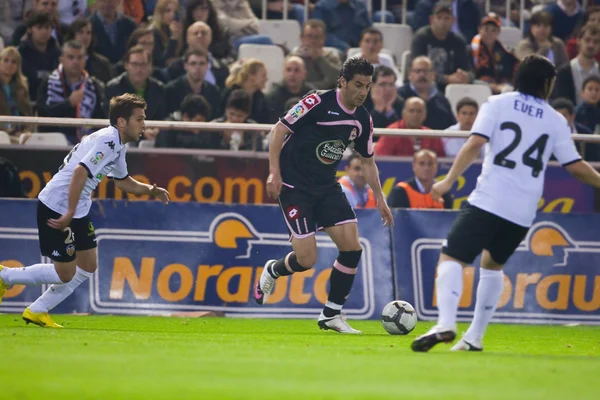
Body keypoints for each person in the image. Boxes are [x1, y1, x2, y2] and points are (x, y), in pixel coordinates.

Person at [410, 55, 600, 353]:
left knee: (451, 258)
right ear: (547, 84)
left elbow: (474, 143)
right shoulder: (555, 119)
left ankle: (446, 323)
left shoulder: (497, 104)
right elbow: (574, 165)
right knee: (492, 265)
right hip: (522, 211)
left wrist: (447, 181)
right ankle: (474, 337)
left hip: (490, 198)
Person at [0, 94, 170, 327]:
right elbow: (80, 172)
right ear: (122, 122)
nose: (144, 125)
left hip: (77, 208)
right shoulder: (108, 142)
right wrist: (69, 211)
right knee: (65, 273)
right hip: (57, 205)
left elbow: (122, 181)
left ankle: (38, 309)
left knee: (88, 265)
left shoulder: (117, 145)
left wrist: (151, 190)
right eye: (139, 119)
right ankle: (5, 276)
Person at [253, 58, 394, 334]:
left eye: (367, 86)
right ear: (342, 82)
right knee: (306, 260)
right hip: (294, 187)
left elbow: (367, 161)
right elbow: (279, 129)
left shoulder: (363, 118)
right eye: (357, 85)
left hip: (327, 187)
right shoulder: (316, 102)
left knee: (352, 247)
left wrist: (379, 197)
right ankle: (273, 270)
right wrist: (273, 172)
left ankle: (331, 314)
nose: (362, 92)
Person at [387, 149, 453, 209]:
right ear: (414, 166)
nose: (426, 168)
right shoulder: (401, 191)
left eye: (430, 164)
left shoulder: (443, 192)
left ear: (436, 166)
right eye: (421, 164)